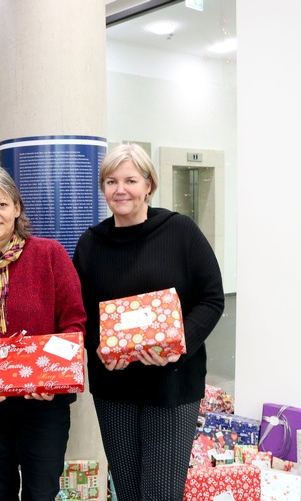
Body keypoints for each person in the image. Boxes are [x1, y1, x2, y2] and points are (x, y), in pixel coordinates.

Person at [72, 143, 224, 501]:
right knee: (127, 491)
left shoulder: (181, 232)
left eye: (130, 180)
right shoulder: (91, 244)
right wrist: (98, 346)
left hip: (172, 384)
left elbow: (212, 298)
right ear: (103, 188)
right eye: (111, 181)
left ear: (149, 185)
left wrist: (179, 345)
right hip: (115, 390)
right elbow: (79, 312)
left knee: (160, 493)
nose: (120, 189)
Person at [0, 166, 87, 501]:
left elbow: (74, 324)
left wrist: (53, 378)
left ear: (17, 209)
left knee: (41, 492)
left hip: (45, 405)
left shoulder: (50, 255)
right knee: (1, 492)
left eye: (1, 204)